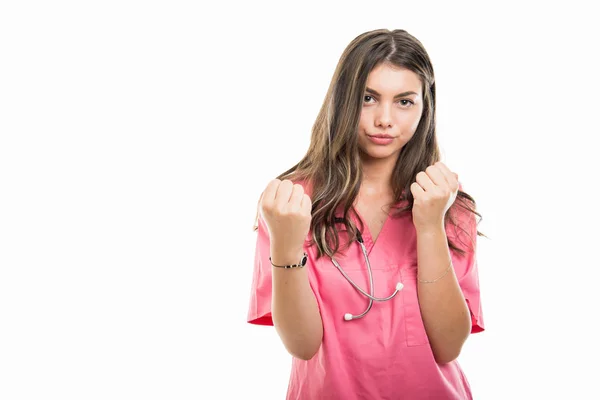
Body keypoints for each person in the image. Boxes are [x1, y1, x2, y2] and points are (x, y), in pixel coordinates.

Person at [246, 28, 485, 399]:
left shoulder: (448, 205)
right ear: (342, 101)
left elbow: (448, 346)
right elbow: (303, 345)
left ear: (426, 107)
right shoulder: (290, 203)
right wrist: (287, 246)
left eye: (405, 101)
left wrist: (430, 227)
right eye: (368, 98)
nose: (385, 119)